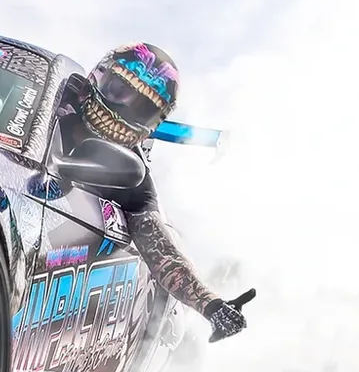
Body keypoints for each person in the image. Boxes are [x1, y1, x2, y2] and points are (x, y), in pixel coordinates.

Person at [51, 43, 250, 341]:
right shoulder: (49, 91)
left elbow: (161, 247)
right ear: (98, 75)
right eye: (118, 89)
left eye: (142, 107)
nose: (121, 107)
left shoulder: (133, 179)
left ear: (153, 124)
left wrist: (212, 306)